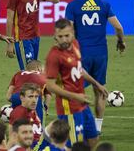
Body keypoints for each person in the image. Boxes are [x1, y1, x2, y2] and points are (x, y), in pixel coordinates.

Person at [65, 0, 125, 134]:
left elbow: (68, 29)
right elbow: (118, 27)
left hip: (81, 53)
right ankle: (97, 128)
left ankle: (79, 124)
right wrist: (121, 41)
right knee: (100, 90)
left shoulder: (73, 6)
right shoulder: (103, 4)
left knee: (76, 90)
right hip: (101, 53)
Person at [45, 18, 108, 149]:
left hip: (82, 103)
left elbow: (80, 70)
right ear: (55, 36)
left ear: (73, 33)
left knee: (92, 137)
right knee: (75, 145)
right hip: (68, 108)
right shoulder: (54, 56)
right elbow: (50, 85)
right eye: (60, 36)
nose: (64, 40)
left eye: (67, 36)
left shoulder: (75, 45)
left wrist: (97, 84)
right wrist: (75, 97)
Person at [6, 0, 59, 70]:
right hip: (22, 38)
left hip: (35, 36)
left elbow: (56, 0)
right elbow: (9, 19)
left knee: (34, 72)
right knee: (27, 72)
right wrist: (9, 43)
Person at [6, 60, 51, 125]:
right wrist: (45, 107)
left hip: (17, 96)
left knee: (17, 123)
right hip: (34, 97)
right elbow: (48, 95)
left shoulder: (18, 73)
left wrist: (20, 101)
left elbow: (8, 96)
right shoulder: (44, 76)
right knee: (37, 124)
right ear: (39, 68)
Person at [8, 83, 42, 149]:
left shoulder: (32, 110)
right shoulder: (19, 113)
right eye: (30, 96)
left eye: (36, 97)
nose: (34, 100)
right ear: (22, 98)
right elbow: (13, 139)